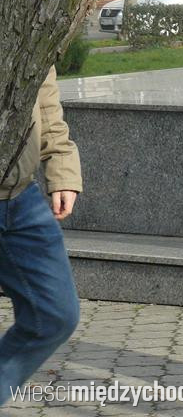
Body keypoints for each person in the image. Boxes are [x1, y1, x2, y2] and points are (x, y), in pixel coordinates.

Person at [0, 67, 82, 406]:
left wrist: (61, 164)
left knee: (54, 314)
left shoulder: (24, 13)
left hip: (20, 195)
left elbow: (43, 96)